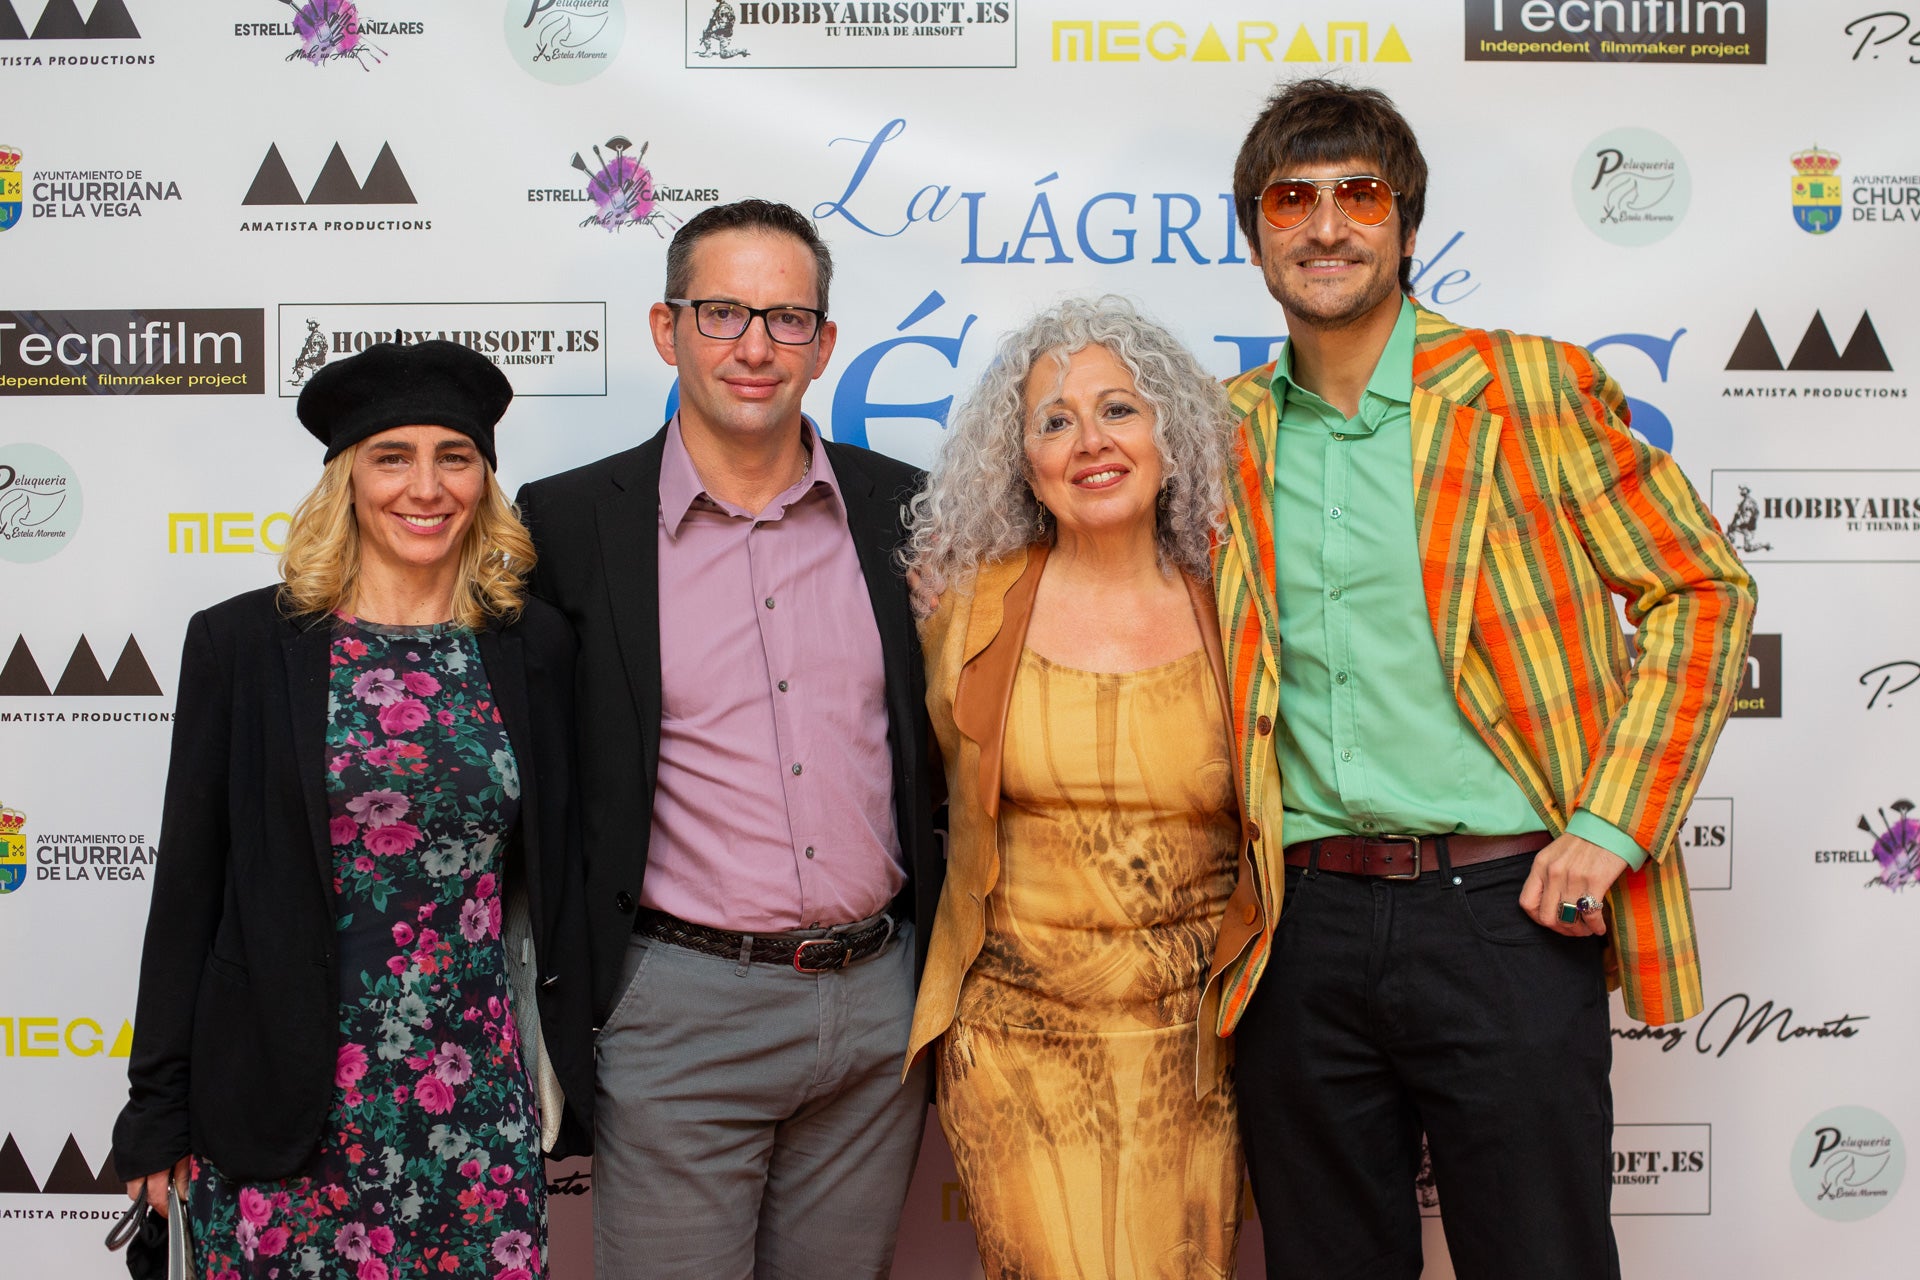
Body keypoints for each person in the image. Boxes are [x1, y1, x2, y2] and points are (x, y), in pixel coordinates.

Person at [1206, 79, 1757, 1279]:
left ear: (1408, 225)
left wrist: (1613, 822)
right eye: (1290, 199)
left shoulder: (1530, 388)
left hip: (1502, 916)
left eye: (1360, 194)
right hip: (1296, 930)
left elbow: (1703, 591)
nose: (1326, 226)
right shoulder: (1221, 429)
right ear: (1253, 237)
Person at [514, 198, 939, 1280]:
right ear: (667, 330)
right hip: (678, 1007)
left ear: (825, 343)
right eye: (721, 312)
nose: (755, 345)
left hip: (878, 1009)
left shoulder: (907, 509)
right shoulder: (567, 523)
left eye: (788, 317)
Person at [114, 340, 593, 1278]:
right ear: (346, 478)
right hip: (281, 1105)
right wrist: (155, 1112)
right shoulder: (243, 644)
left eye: (454, 457)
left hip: (472, 1103)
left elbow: (564, 875)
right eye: (392, 456)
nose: (426, 487)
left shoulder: (531, 645)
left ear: (484, 479)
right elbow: (188, 892)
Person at [903, 296, 1244, 1278]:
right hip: (1017, 1034)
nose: (1090, 441)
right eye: (1055, 420)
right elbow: (916, 782)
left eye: (1119, 409)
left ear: (1171, 436)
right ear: (1023, 461)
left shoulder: (1237, 604)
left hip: (1199, 1037)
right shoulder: (964, 606)